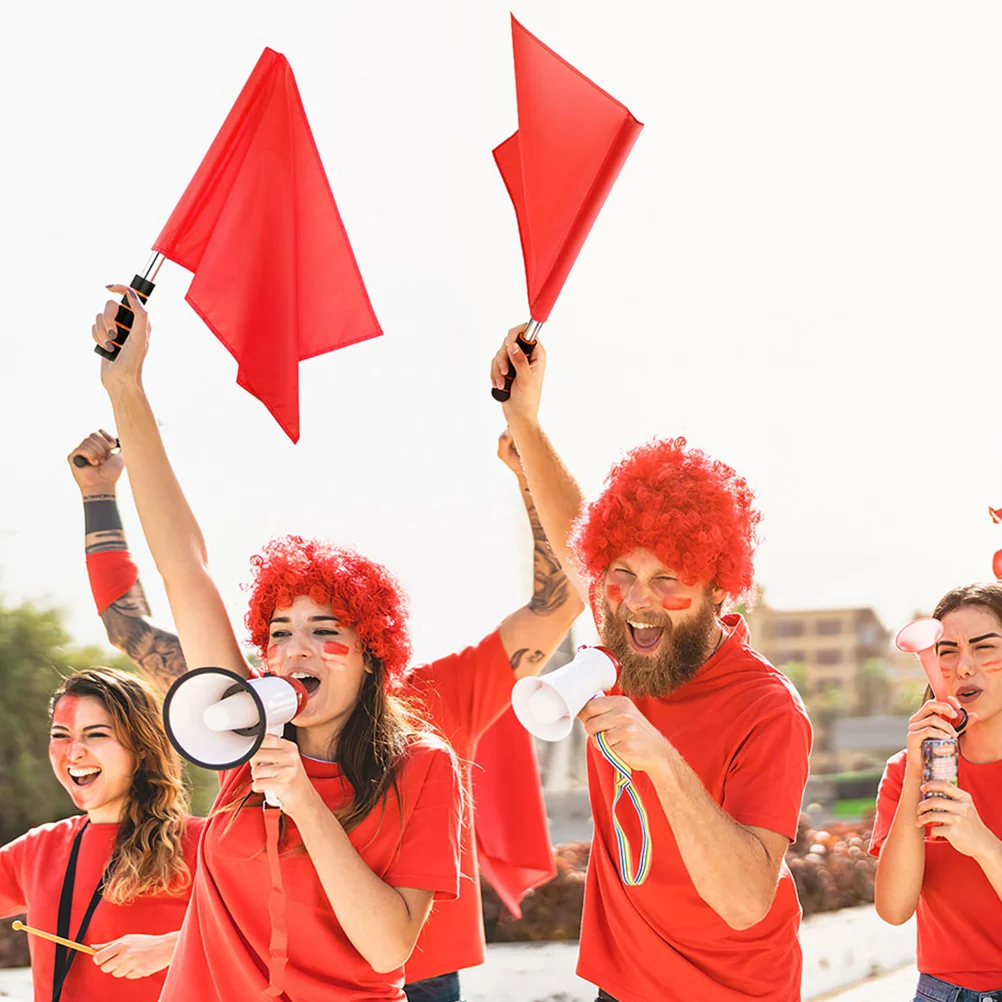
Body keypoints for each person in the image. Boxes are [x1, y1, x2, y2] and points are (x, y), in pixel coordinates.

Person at [90, 286, 578, 1001]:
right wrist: (124, 386)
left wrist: (303, 802)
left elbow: (386, 949)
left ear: (375, 652)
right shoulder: (242, 730)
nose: (296, 652)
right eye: (280, 633)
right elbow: (183, 567)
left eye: (327, 632)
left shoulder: (422, 766)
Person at [489, 327, 813, 1002]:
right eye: (623, 571)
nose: (639, 599)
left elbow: (748, 899)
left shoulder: (767, 708)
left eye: (671, 576)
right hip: (621, 985)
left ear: (720, 587)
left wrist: (661, 762)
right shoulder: (623, 637)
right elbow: (572, 521)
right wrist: (523, 419)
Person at [0, 667, 203, 1002]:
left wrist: (172, 946)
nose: (74, 752)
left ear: (141, 748)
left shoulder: (204, 843)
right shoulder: (39, 847)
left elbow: (275, 937)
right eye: (61, 734)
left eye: (95, 735)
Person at [871, 583, 1002, 1001]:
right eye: (946, 651)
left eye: (984, 648)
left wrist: (982, 843)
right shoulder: (903, 771)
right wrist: (915, 770)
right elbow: (893, 910)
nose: (963, 667)